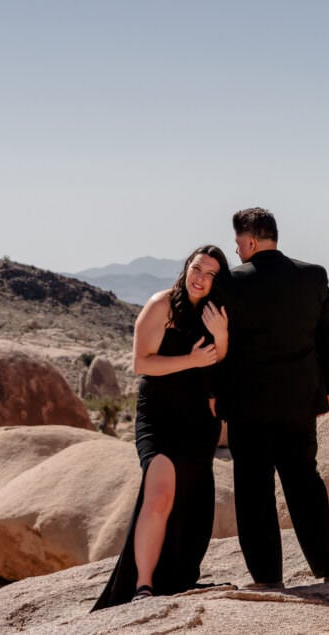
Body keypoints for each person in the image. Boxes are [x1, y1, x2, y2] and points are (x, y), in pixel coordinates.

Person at [90, 245, 229, 609]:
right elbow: (141, 363)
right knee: (160, 495)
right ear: (186, 268)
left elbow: (220, 363)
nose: (202, 278)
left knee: (194, 503)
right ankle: (143, 586)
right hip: (161, 416)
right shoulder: (161, 305)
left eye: (211, 274)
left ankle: (178, 576)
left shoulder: (215, 312)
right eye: (198, 269)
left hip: (200, 420)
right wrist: (191, 359)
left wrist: (223, 334)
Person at [217, 208, 329, 588]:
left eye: (239, 243)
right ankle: (327, 566)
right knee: (305, 482)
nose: (237, 251)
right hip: (299, 402)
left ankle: (268, 578)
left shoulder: (231, 282)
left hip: (247, 407)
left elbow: (219, 346)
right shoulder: (312, 275)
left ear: (250, 241)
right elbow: (328, 337)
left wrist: (216, 397)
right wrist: (328, 390)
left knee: (254, 492)